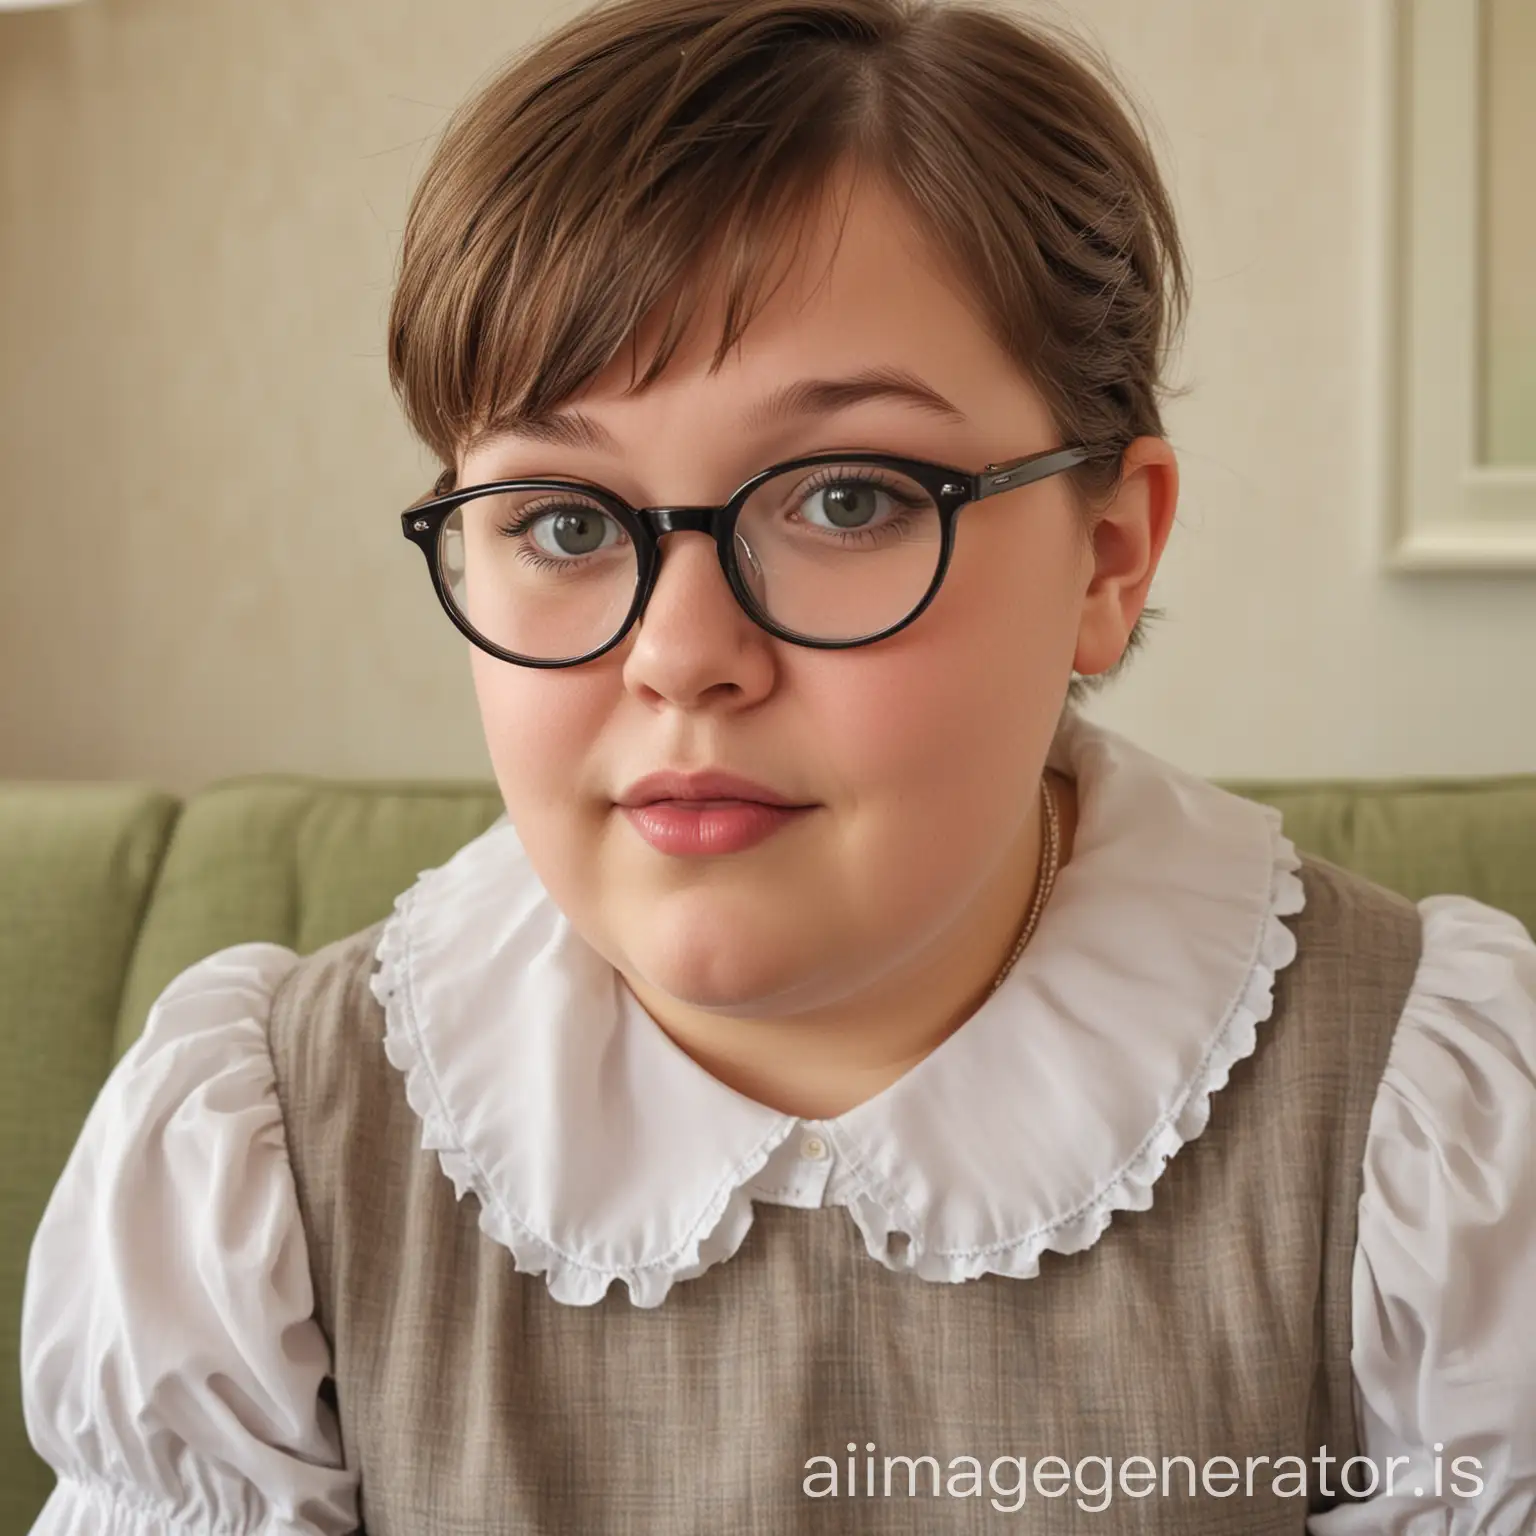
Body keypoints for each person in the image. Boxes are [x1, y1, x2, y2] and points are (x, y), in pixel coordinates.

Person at [19, 0, 1536, 1531]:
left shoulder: (1428, 1143)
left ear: (1110, 554)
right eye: (564, 520)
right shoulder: (265, 1178)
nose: (683, 654)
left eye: (850, 501)